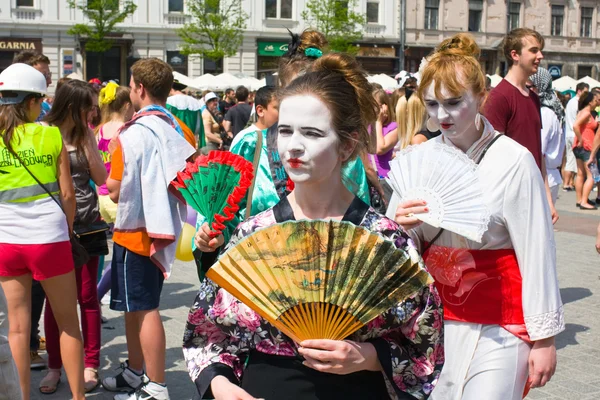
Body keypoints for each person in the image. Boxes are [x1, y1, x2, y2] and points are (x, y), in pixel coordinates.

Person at [184, 52, 443, 400]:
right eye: (285, 130)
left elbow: (426, 343)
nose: (294, 145)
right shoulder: (253, 234)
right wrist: (222, 386)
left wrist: (370, 356)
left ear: (347, 144)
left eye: (312, 133)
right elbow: (208, 333)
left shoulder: (385, 239)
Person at [390, 33, 564, 400]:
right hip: (433, 318)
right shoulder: (419, 159)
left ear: (482, 96)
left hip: (501, 315)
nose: (441, 116)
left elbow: (536, 250)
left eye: (454, 103)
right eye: (432, 104)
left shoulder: (514, 160)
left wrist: (544, 338)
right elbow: (395, 251)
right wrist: (403, 230)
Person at [102, 58, 196, 400]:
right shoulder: (180, 129)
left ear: (139, 88)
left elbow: (114, 188)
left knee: (143, 309)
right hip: (163, 229)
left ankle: (155, 386)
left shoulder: (133, 133)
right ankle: (135, 371)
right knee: (135, 306)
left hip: (135, 231)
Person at [0, 63, 85, 399]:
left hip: (7, 240)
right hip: (49, 238)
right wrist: (67, 227)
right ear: (34, 102)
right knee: (68, 323)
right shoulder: (50, 134)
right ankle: (78, 397)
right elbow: (67, 193)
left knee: (18, 329)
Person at [40, 79, 108, 394]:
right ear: (72, 106)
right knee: (55, 302)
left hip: (87, 225)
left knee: (87, 298)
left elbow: (100, 177)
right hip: (52, 227)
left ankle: (90, 363)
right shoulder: (42, 132)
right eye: (88, 106)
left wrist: (89, 143)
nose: (93, 112)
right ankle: (55, 365)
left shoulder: (85, 135)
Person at [484, 28, 559, 224]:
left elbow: (538, 152)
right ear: (515, 55)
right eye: (534, 50)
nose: (540, 56)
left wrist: (547, 198)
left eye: (540, 51)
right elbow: (492, 155)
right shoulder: (499, 97)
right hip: (509, 199)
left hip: (533, 194)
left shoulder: (534, 97)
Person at [12, 50, 53, 369]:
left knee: (28, 305)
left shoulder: (45, 115)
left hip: (33, 231)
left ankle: (30, 344)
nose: (47, 81)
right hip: (20, 233)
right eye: (41, 75)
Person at [528, 68, 565, 206]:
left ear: (539, 86)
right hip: (548, 175)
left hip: (544, 176)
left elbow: (539, 149)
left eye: (529, 86)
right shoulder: (552, 108)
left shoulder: (545, 112)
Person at [573, 91, 600, 210]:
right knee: (592, 175)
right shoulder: (587, 113)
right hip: (587, 146)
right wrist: (581, 139)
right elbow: (575, 126)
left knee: (580, 174)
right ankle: (584, 201)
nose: (597, 103)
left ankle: (580, 199)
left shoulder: (581, 111)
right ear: (590, 102)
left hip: (578, 147)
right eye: (595, 101)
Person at [563, 82, 589, 191]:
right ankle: (566, 183)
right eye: (585, 92)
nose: (586, 94)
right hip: (573, 134)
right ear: (579, 91)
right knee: (571, 160)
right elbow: (577, 122)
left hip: (569, 133)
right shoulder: (576, 103)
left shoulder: (571, 102)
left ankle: (568, 183)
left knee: (571, 159)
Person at [167, 78, 205, 148]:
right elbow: (198, 127)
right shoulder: (194, 102)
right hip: (190, 142)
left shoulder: (168, 102)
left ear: (171, 89)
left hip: (175, 143)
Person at [370, 89, 398, 179]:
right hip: (365, 177)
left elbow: (380, 149)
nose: (373, 109)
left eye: (376, 106)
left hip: (383, 177)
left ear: (385, 107)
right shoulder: (367, 124)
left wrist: (379, 122)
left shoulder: (394, 127)